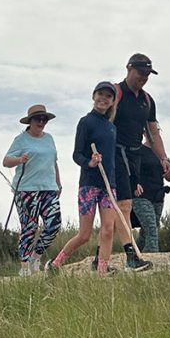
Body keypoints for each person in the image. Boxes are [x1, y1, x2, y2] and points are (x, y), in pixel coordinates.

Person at [46, 82, 118, 276]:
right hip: (89, 184)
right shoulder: (85, 122)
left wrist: (114, 180)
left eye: (108, 96)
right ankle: (55, 264)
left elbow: (113, 158)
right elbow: (76, 155)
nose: (104, 99)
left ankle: (102, 270)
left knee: (108, 229)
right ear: (93, 96)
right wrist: (90, 163)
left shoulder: (112, 128)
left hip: (109, 184)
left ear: (112, 101)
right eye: (100, 94)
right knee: (85, 235)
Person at [109, 53, 170, 272]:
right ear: (128, 68)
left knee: (121, 208)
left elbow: (152, 133)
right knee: (119, 207)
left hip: (133, 158)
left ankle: (122, 259)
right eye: (140, 73)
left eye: (147, 74)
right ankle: (127, 258)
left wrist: (163, 157)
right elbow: (100, 121)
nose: (143, 78)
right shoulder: (115, 93)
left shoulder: (147, 100)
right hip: (114, 155)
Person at [3, 104, 62, 276]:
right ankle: (24, 267)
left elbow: (54, 161)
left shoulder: (49, 138)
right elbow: (6, 161)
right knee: (30, 227)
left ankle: (36, 256)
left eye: (44, 119)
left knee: (54, 224)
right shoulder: (21, 140)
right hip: (26, 189)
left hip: (49, 188)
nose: (41, 121)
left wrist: (58, 183)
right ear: (30, 121)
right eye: (38, 119)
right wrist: (19, 159)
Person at [132, 125, 170, 252]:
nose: (154, 133)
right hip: (140, 196)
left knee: (147, 230)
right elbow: (130, 170)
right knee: (151, 228)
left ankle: (133, 254)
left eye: (156, 131)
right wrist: (134, 183)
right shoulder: (138, 150)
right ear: (144, 133)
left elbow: (168, 176)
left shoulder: (161, 155)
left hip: (157, 196)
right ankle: (153, 257)